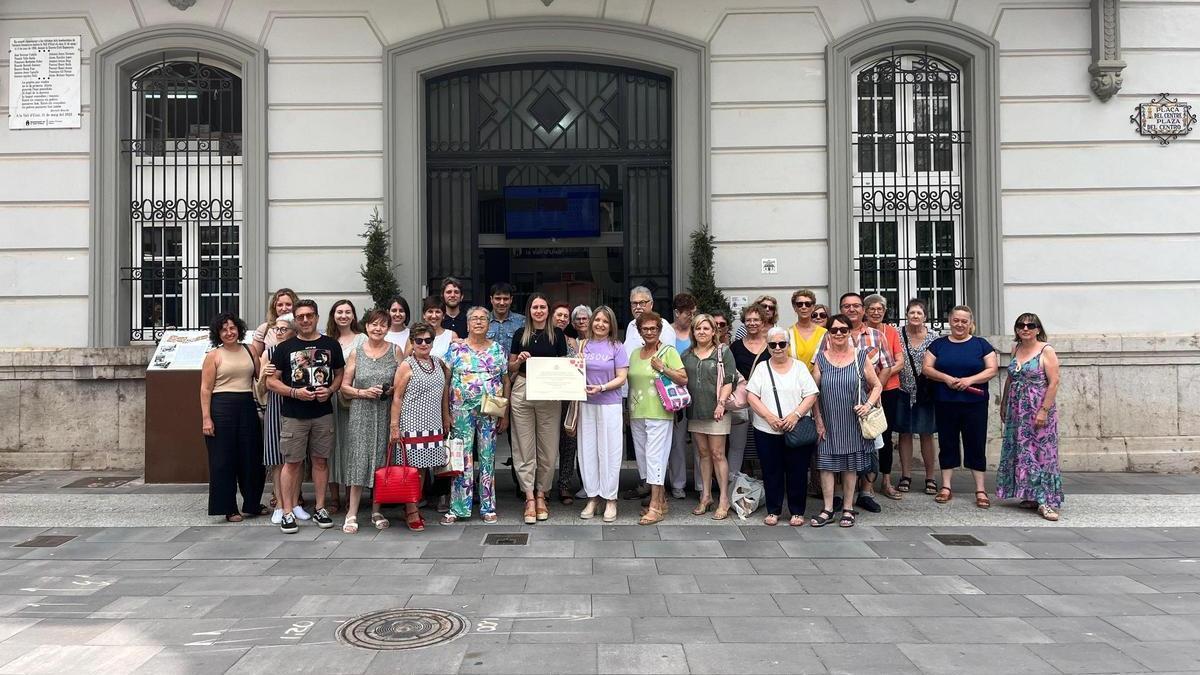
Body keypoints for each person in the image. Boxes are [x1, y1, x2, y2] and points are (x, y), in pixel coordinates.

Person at [266, 299, 345, 534]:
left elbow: (339, 374)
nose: (305, 320)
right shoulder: (284, 348)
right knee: (292, 463)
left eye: (309, 315)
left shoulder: (331, 345)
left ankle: (320, 508)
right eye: (300, 317)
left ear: (317, 317)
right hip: (293, 415)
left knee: (320, 461)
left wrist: (330, 390)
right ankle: (288, 511)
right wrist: (294, 392)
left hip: (322, 413)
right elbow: (271, 381)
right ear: (296, 320)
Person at [820, 292, 895, 514]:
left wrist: (871, 395)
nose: (851, 310)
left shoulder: (876, 335)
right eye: (846, 306)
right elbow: (819, 368)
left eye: (856, 306)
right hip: (836, 407)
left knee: (870, 450)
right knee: (836, 453)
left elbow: (887, 366)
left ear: (863, 309)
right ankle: (837, 499)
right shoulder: (828, 337)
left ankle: (866, 492)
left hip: (866, 405)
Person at [923, 305, 999, 508]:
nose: (959, 324)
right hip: (945, 401)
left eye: (964, 321)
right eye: (956, 320)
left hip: (974, 403)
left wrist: (969, 380)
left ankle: (980, 489)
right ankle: (946, 486)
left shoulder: (981, 344)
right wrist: (946, 378)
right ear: (950, 320)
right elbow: (927, 368)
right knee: (947, 443)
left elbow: (992, 369)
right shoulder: (938, 345)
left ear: (970, 323)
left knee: (975, 442)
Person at [811, 314, 882, 528]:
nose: (839, 333)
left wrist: (868, 405)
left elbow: (877, 385)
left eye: (843, 329)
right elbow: (813, 392)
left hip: (853, 419)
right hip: (829, 420)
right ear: (829, 334)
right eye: (834, 330)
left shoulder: (861, 356)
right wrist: (818, 420)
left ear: (850, 331)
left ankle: (848, 508)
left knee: (850, 465)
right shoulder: (821, 358)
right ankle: (828, 509)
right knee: (826, 465)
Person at [747, 326, 819, 526]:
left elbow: (811, 394)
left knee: (797, 471)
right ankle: (774, 510)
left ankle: (797, 511)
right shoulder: (762, 368)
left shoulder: (799, 367)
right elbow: (751, 395)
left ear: (788, 345)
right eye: (773, 344)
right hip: (767, 429)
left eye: (782, 344)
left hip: (795, 428)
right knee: (771, 471)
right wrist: (769, 417)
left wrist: (795, 415)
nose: (778, 348)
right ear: (768, 347)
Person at [444, 306, 510, 524]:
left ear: (489, 323)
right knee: (461, 458)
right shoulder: (455, 350)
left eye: (483, 318)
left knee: (488, 457)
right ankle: (458, 507)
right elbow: (446, 382)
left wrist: (505, 413)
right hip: (461, 411)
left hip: (489, 411)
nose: (479, 322)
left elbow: (506, 380)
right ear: (468, 323)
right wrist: (445, 412)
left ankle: (487, 506)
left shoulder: (498, 349)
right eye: (475, 318)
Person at [386, 321, 453, 531]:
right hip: (411, 423)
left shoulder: (439, 363)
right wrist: (394, 427)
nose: (424, 344)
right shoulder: (406, 365)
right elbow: (397, 397)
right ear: (412, 342)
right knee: (411, 468)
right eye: (419, 340)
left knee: (423, 468)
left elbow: (443, 394)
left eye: (428, 340)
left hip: (432, 423)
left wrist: (445, 417)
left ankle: (413, 503)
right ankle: (411, 510)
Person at [509, 294, 569, 523]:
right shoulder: (519, 334)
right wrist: (519, 361)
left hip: (549, 392)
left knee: (548, 446)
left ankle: (542, 493)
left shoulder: (558, 335)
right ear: (529, 310)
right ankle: (529, 497)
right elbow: (510, 367)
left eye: (543, 307)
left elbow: (564, 366)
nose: (539, 311)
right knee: (524, 446)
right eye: (535, 307)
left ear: (548, 310)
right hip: (523, 387)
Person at [200, 312, 266, 522]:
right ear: (217, 334)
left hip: (246, 406)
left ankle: (252, 503)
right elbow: (205, 389)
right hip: (221, 409)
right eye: (224, 329)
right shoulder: (214, 355)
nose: (229, 332)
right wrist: (206, 418)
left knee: (251, 457)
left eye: (232, 328)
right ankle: (228, 507)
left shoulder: (250, 350)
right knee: (223, 460)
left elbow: (260, 377)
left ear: (238, 329)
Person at [998, 313, 1063, 521]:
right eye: (1021, 325)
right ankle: (1031, 494)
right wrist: (1005, 402)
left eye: (1030, 325)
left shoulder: (1046, 350)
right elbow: (1010, 377)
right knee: (1022, 451)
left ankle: (1046, 501)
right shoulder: (1015, 348)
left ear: (1037, 329)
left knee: (1042, 453)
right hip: (1018, 410)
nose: (1025, 328)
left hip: (1037, 409)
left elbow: (1053, 382)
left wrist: (1044, 410)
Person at [339, 309, 399, 533]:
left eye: (382, 325)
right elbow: (344, 387)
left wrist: (389, 390)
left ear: (387, 328)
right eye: (374, 324)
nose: (378, 329)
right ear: (366, 327)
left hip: (385, 411)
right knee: (358, 458)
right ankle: (352, 512)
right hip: (361, 411)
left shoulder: (395, 351)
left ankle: (376, 510)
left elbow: (401, 384)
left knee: (381, 458)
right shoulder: (357, 352)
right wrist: (362, 392)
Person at [627, 310, 687, 525]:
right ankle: (661, 501)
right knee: (644, 459)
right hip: (637, 413)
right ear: (640, 332)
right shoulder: (634, 353)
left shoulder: (668, 351)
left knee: (656, 458)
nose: (649, 332)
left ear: (660, 330)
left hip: (660, 412)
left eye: (654, 328)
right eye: (645, 329)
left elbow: (683, 378)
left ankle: (654, 506)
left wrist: (663, 368)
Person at [621, 286, 676, 500]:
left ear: (651, 304)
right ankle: (646, 484)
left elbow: (669, 364)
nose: (638, 306)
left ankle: (658, 495)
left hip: (658, 400)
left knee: (656, 451)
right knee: (641, 447)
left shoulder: (664, 329)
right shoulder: (630, 327)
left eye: (642, 302)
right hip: (635, 400)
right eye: (634, 303)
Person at [681, 313, 737, 519]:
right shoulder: (686, 355)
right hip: (695, 411)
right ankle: (705, 496)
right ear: (693, 332)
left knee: (717, 454)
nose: (702, 332)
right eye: (698, 328)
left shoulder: (723, 352)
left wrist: (721, 403)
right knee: (702, 454)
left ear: (714, 331)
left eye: (706, 328)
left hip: (717, 412)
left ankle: (723, 498)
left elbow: (729, 380)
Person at [577, 306, 628, 522]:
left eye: (605, 321)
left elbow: (622, 377)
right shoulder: (583, 344)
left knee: (610, 452)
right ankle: (592, 498)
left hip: (609, 404)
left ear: (611, 325)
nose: (600, 324)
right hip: (586, 404)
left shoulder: (617, 346)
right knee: (587, 451)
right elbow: (575, 371)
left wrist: (602, 388)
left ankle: (610, 499)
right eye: (597, 320)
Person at [895, 299, 939, 496]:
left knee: (926, 434)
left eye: (919, 313)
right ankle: (906, 475)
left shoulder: (934, 337)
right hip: (902, 390)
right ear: (907, 314)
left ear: (925, 317)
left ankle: (930, 477)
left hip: (925, 392)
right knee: (904, 433)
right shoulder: (897, 334)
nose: (915, 316)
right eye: (912, 312)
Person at [863, 294, 905, 500]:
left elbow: (899, 362)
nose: (876, 312)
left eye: (880, 309)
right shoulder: (860, 332)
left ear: (885, 311)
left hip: (889, 389)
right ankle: (866, 482)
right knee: (865, 435)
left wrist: (878, 381)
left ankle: (886, 480)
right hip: (865, 391)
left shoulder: (891, 332)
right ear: (865, 311)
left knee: (885, 435)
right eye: (872, 309)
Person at [326, 299, 366, 515]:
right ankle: (334, 498)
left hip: (353, 400)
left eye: (347, 312)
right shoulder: (326, 340)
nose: (343, 315)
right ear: (333, 315)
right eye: (339, 312)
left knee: (351, 446)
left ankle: (352, 497)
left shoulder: (362, 339)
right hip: (330, 398)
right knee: (332, 446)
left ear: (353, 316)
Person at [419, 295, 458, 514]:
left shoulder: (451, 336)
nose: (433, 315)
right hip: (421, 399)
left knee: (444, 444)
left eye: (438, 312)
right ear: (424, 314)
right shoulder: (418, 336)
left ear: (443, 314)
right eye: (429, 311)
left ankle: (444, 493)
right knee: (423, 444)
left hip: (446, 395)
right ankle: (422, 492)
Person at [257, 313, 297, 524]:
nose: (280, 333)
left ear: (293, 331)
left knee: (295, 458)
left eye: (284, 329)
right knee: (276, 457)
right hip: (275, 406)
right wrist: (265, 374)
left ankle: (295, 503)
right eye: (277, 329)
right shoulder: (268, 353)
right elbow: (260, 389)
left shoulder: (299, 351)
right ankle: (281, 504)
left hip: (297, 405)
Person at [727, 303, 769, 480]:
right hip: (741, 400)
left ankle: (769, 483)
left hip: (765, 399)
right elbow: (729, 372)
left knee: (766, 443)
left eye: (756, 320)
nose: (752, 323)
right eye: (748, 320)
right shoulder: (735, 347)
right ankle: (731, 483)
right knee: (737, 444)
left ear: (763, 322)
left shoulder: (772, 345)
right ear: (744, 322)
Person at [665, 293, 698, 499]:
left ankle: (701, 483)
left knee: (699, 440)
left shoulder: (698, 331)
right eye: (689, 314)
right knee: (676, 440)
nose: (692, 318)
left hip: (697, 392)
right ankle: (678, 483)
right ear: (677, 313)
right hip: (675, 394)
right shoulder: (666, 332)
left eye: (694, 313)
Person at [554, 302, 586, 504]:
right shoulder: (543, 337)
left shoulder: (573, 342)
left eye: (566, 316)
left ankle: (565, 484)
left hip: (569, 398)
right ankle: (543, 486)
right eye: (559, 315)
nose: (562, 319)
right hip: (547, 396)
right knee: (548, 444)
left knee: (569, 441)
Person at [251, 288, 299, 358]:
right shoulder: (264, 328)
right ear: (274, 307)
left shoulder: (301, 327)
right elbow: (255, 357)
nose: (284, 308)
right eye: (280, 305)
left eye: (288, 304)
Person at [787, 289, 827, 367]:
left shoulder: (824, 333)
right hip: (794, 378)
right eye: (800, 304)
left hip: (818, 378)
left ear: (813, 307)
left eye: (807, 304)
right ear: (794, 307)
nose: (804, 307)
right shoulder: (788, 333)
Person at [486, 282, 525, 356]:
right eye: (498, 298)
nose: (502, 303)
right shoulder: (483, 321)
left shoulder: (522, 322)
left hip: (514, 366)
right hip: (488, 367)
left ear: (511, 300)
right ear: (491, 299)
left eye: (506, 299)